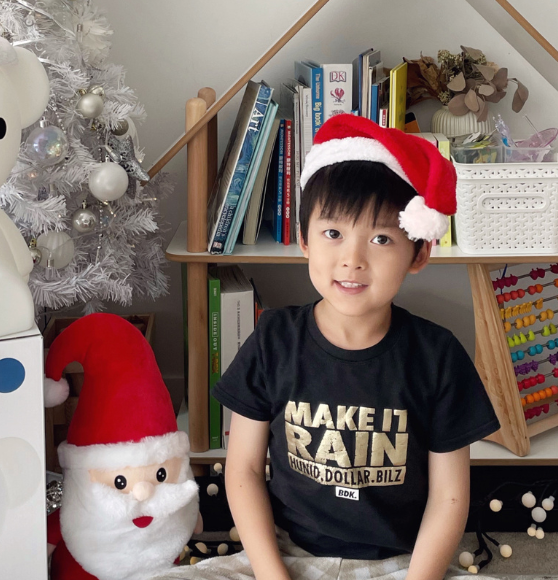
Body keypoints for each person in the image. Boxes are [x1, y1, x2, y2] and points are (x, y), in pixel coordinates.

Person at [209, 114, 501, 580]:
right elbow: (242, 469)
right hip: (284, 555)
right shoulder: (274, 338)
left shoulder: (438, 355)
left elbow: (450, 496)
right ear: (305, 240)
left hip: (402, 564)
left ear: (419, 253)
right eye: (333, 233)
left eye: (381, 238)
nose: (352, 259)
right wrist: (272, 574)